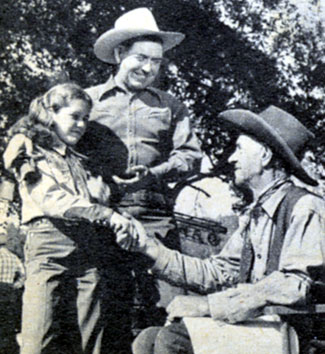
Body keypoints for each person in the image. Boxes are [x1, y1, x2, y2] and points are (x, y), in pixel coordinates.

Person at [116, 105, 325, 353]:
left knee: (174, 339)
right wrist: (147, 247)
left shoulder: (305, 206)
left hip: (290, 332)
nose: (231, 159)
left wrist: (208, 305)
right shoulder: (254, 216)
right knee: (148, 339)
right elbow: (216, 272)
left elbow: (294, 284)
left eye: (239, 149)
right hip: (257, 326)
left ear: (265, 156)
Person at [78, 7, 202, 332]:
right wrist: (95, 182)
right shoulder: (87, 102)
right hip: (104, 218)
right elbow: (68, 157)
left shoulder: (171, 105)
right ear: (119, 54)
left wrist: (156, 174)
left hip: (157, 218)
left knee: (169, 310)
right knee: (106, 313)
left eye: (156, 61)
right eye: (140, 58)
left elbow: (190, 155)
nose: (148, 68)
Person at [3, 83, 134, 354]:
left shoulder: (80, 159)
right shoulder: (29, 149)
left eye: (85, 118)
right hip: (47, 249)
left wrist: (103, 197)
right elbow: (51, 199)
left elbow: (90, 200)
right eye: (74, 116)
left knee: (91, 339)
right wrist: (104, 213)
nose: (81, 124)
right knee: (38, 338)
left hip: (88, 251)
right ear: (52, 113)